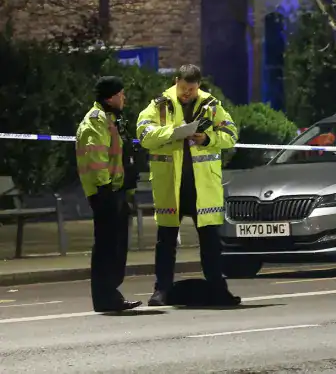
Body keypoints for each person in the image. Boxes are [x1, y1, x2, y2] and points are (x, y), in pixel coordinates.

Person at [136, 64, 240, 306]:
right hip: (170, 186)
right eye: (183, 88)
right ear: (176, 81)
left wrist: (208, 138)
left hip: (202, 187)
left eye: (191, 89)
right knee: (166, 242)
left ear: (199, 86)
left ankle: (218, 290)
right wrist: (172, 133)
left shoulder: (211, 105)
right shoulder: (160, 104)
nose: (186, 93)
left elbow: (232, 134)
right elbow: (143, 134)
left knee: (210, 243)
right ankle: (161, 290)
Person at [75, 76, 143, 313]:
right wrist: (105, 190)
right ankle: (105, 297)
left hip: (117, 191)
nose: (124, 97)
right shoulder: (96, 122)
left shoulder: (113, 119)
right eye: (121, 93)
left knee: (116, 246)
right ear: (110, 97)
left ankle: (111, 294)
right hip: (106, 193)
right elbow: (96, 158)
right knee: (107, 247)